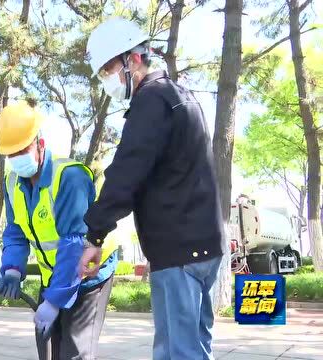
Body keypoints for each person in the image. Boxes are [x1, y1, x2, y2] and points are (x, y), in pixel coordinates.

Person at [80, 18, 226, 360]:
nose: (107, 81)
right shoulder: (180, 96)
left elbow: (126, 173)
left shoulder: (152, 101)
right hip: (204, 244)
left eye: (107, 69)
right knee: (195, 347)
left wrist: (95, 235)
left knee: (177, 353)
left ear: (133, 59)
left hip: (178, 250)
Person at [0, 101, 119, 360]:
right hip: (53, 275)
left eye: (22, 149)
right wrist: (13, 269)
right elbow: (15, 232)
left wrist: (55, 300)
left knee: (74, 352)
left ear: (40, 144)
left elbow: (74, 244)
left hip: (87, 276)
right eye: (11, 153)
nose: (17, 158)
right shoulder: (12, 182)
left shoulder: (69, 178)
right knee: (48, 349)